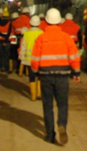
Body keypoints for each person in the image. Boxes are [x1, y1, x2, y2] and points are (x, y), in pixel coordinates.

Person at [31, 8, 81, 145]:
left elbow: (35, 59)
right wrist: (76, 73)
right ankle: (62, 124)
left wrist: (35, 72)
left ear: (46, 21)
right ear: (59, 22)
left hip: (45, 76)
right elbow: (74, 57)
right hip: (62, 76)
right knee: (62, 104)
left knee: (47, 106)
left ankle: (50, 135)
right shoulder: (66, 38)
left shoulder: (41, 38)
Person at [20, 15, 44, 100]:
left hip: (29, 59)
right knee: (39, 76)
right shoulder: (42, 33)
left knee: (32, 76)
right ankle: (39, 93)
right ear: (39, 23)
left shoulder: (26, 33)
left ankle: (33, 96)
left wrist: (21, 56)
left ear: (30, 23)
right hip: (39, 59)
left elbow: (23, 46)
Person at [12, 9, 31, 76]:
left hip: (17, 38)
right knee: (26, 54)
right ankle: (26, 71)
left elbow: (13, 30)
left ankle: (17, 68)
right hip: (26, 38)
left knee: (19, 53)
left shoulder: (16, 20)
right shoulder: (28, 20)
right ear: (27, 13)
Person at [0, 9, 14, 73]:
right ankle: (6, 68)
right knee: (6, 55)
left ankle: (0, 67)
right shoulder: (9, 23)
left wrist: (1, 36)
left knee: (0, 54)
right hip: (7, 41)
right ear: (8, 17)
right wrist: (5, 41)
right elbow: (9, 33)